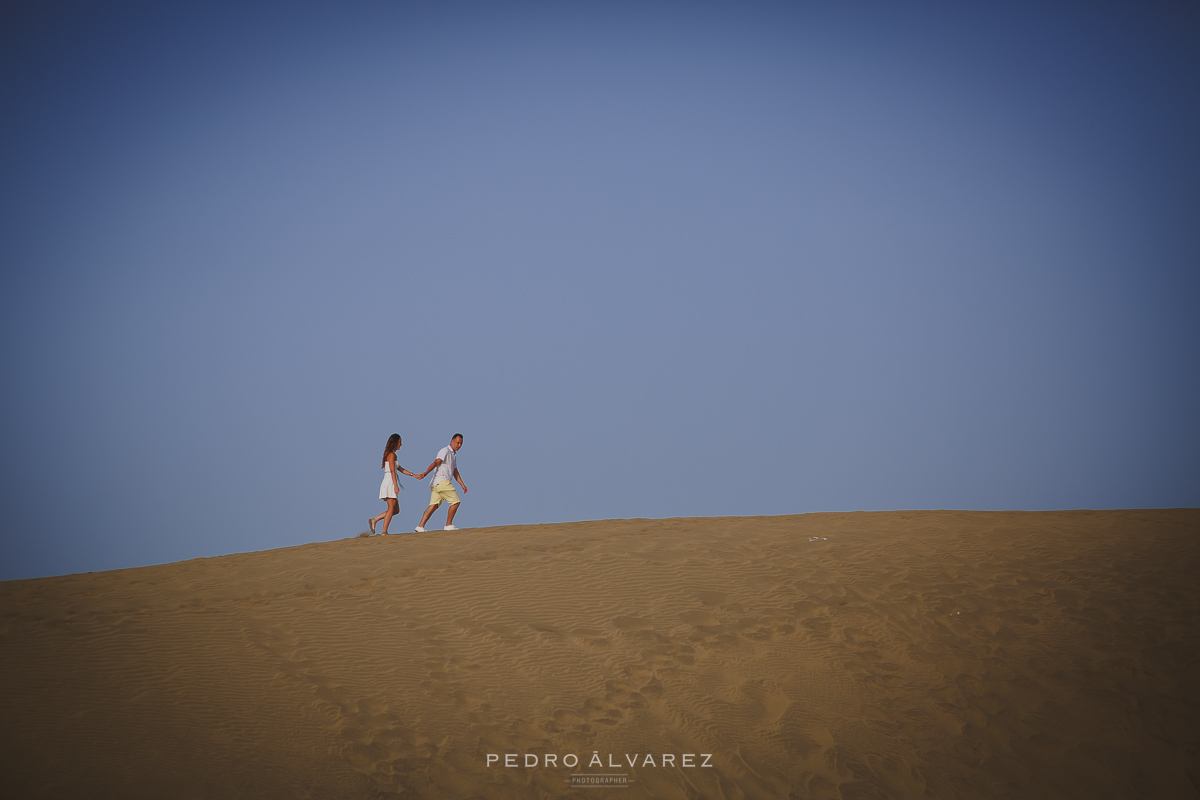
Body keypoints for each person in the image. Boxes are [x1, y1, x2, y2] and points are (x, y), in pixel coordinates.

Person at [414, 433, 469, 532]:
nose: (459, 445)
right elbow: (437, 462)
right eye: (457, 443)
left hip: (436, 484)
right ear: (452, 441)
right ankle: (448, 525)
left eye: (461, 443)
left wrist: (462, 484)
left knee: (433, 505)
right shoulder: (445, 450)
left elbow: (455, 472)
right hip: (442, 481)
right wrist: (425, 473)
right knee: (456, 502)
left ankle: (420, 526)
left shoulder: (453, 455)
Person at [369, 433, 419, 535]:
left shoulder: (393, 455)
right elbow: (392, 470)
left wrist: (413, 475)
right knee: (391, 508)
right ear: (395, 442)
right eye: (400, 442)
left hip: (392, 480)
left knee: (396, 510)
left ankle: (375, 519)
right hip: (389, 482)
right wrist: (395, 485)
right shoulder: (391, 455)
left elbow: (400, 469)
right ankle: (384, 532)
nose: (401, 444)